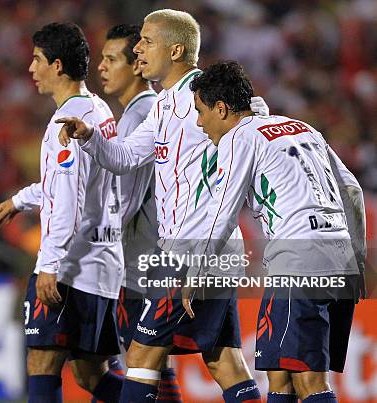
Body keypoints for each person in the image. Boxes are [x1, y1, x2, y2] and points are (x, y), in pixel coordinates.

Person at [57, 9, 268, 403]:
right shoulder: (164, 104)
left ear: (176, 49)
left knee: (141, 354)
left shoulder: (203, 97)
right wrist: (89, 137)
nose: (138, 48)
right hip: (197, 249)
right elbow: (125, 156)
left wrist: (258, 110)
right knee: (224, 360)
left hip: (193, 248)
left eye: (147, 41)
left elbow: (251, 119)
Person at [188, 60, 366, 403]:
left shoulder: (239, 138)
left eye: (201, 111)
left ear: (221, 109)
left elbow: (223, 211)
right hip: (339, 259)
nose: (199, 121)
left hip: (299, 260)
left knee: (310, 379)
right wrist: (358, 260)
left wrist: (196, 271)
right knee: (279, 375)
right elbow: (353, 190)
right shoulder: (301, 127)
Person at [0, 22, 124, 402]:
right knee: (90, 374)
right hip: (102, 263)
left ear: (58, 65)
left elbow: (67, 199)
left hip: (72, 266)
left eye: (37, 60)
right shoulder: (98, 110)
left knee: (41, 366)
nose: (31, 69)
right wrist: (20, 200)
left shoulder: (64, 123)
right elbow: (69, 184)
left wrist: (50, 263)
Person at [96, 24, 181, 403]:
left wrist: (90, 241)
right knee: (154, 364)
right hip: (156, 259)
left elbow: (125, 202)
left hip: (142, 264)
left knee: (138, 361)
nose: (100, 67)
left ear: (136, 66)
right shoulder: (145, 111)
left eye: (111, 59)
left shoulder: (140, 114)